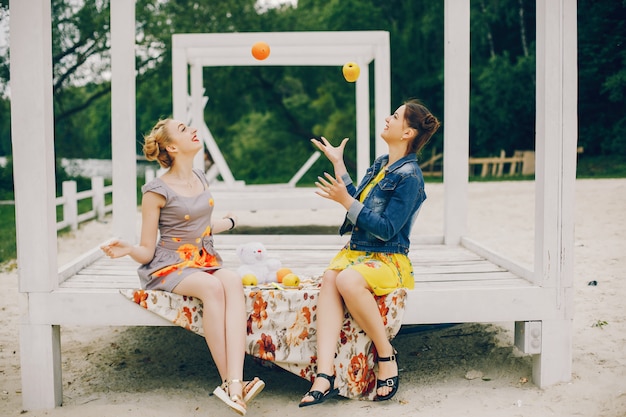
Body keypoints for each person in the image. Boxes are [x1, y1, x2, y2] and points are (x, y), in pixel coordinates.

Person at [100, 118, 264, 416]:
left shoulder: (200, 177)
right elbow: (148, 248)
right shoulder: (155, 190)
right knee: (213, 287)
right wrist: (127, 249)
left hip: (203, 258)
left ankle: (237, 382)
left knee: (232, 282)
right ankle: (230, 383)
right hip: (169, 265)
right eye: (184, 129)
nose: (192, 130)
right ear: (173, 147)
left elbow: (200, 226)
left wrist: (229, 222)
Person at [299, 99, 440, 406]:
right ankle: (324, 374)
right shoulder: (380, 164)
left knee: (347, 281)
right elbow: (357, 199)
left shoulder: (410, 177)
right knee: (330, 278)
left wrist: (344, 202)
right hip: (357, 252)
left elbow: (387, 228)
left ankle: (386, 354)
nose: (388, 119)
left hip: (388, 258)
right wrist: (338, 163)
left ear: (408, 133)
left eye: (396, 116)